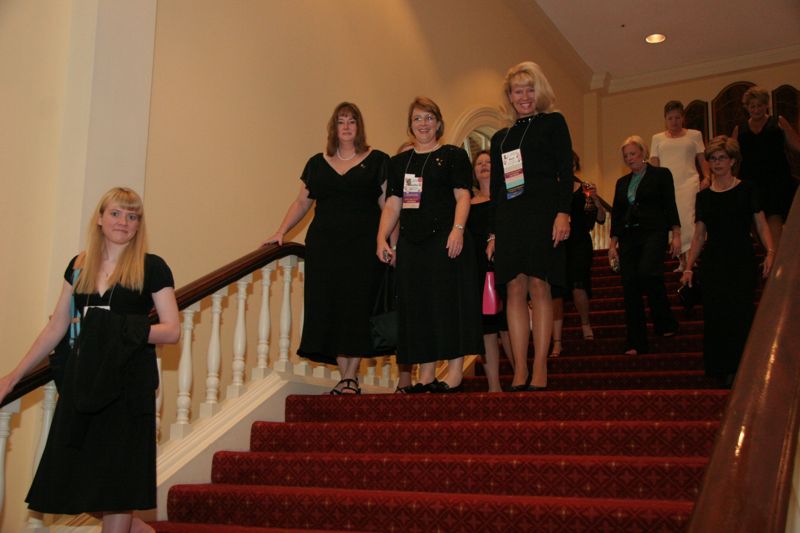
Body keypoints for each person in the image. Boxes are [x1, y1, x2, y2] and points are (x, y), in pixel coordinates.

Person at [0, 187, 180, 533]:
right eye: (115, 213)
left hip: (128, 390)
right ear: (99, 219)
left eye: (132, 216)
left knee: (117, 490)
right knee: (79, 485)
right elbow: (56, 327)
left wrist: (117, 328)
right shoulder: (79, 266)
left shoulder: (151, 267)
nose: (123, 222)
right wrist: (13, 376)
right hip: (84, 387)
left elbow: (171, 330)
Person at [264, 102, 391, 394]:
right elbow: (301, 203)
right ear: (333, 128)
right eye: (341, 122)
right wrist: (281, 231)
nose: (346, 127)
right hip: (325, 248)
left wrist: (389, 242)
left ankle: (350, 376)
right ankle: (345, 377)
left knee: (356, 308)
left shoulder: (378, 160)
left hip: (362, 249)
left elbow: (388, 206)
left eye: (352, 121)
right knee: (330, 307)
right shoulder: (316, 163)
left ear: (359, 127)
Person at [376, 96, 483, 393]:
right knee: (419, 307)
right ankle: (425, 375)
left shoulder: (452, 155)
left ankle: (455, 371)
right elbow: (393, 205)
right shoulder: (399, 163)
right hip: (412, 245)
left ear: (438, 122)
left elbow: (463, 196)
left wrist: (458, 230)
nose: (423, 123)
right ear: (410, 126)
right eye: (417, 119)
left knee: (448, 304)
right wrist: (381, 237)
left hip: (446, 240)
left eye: (428, 117)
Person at [485, 61, 573, 391]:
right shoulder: (500, 137)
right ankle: (519, 367)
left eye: (529, 89)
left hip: (543, 212)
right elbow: (496, 188)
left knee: (540, 285)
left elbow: (565, 171)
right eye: (517, 91)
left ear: (540, 91)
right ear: (509, 96)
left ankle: (540, 366)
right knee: (514, 289)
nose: (524, 96)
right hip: (509, 217)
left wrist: (563, 212)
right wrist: (493, 231)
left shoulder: (553, 123)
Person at [680, 136, 774, 386]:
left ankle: (743, 367)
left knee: (741, 313)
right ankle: (720, 369)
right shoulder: (704, 197)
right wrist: (688, 267)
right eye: (712, 158)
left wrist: (771, 252)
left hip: (742, 258)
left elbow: (762, 225)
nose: (717, 162)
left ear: (733, 161)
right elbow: (699, 235)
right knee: (716, 316)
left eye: (722, 157)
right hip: (713, 262)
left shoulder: (747, 189)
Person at [609, 136, 681, 356]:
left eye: (633, 153)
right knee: (629, 284)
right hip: (629, 236)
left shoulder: (661, 175)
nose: (630, 159)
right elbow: (618, 215)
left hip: (654, 231)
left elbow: (670, 204)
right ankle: (636, 341)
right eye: (626, 156)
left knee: (648, 272)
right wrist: (613, 243)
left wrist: (676, 234)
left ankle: (664, 322)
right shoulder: (621, 183)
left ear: (643, 152)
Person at [550, 152, 605, 357]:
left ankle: (585, 324)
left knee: (578, 284)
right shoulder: (552, 191)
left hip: (580, 242)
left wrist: (597, 199)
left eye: (571, 163)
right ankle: (556, 341)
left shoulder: (584, 191)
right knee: (556, 291)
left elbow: (600, 218)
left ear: (575, 166)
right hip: (556, 243)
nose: (568, 167)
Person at [732, 86, 800, 252]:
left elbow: (796, 146)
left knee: (774, 220)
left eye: (760, 105)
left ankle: (775, 264)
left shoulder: (778, 122)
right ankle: (770, 260)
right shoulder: (739, 129)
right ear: (747, 107)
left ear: (766, 105)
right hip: (750, 181)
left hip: (776, 180)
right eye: (752, 106)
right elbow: (731, 155)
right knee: (756, 225)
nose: (756, 109)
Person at [650, 100, 710, 272]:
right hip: (668, 184)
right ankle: (681, 259)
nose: (674, 121)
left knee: (689, 218)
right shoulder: (658, 138)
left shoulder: (694, 135)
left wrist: (707, 176)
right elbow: (655, 163)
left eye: (677, 117)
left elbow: (701, 157)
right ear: (665, 119)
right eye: (670, 118)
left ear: (682, 118)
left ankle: (692, 257)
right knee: (674, 219)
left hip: (689, 181)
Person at [466, 149, 505, 392]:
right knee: (489, 329)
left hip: (506, 264)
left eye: (488, 162)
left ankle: (521, 373)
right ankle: (495, 386)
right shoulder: (466, 204)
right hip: (480, 271)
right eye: (479, 163)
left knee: (509, 325)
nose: (483, 166)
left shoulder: (507, 197)